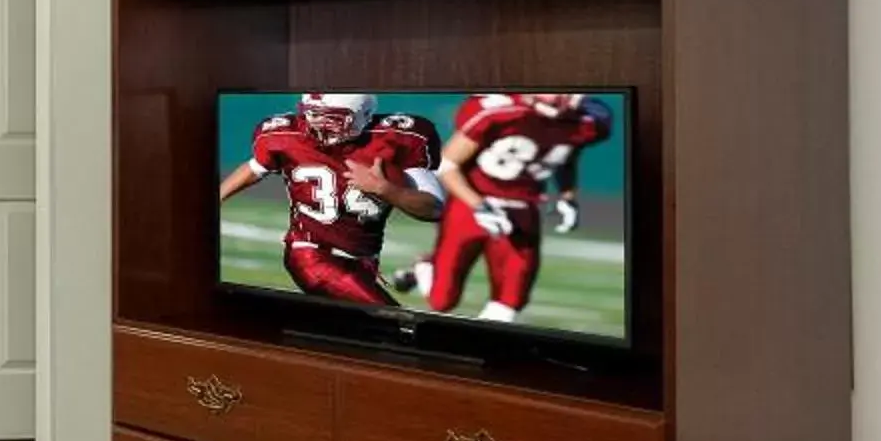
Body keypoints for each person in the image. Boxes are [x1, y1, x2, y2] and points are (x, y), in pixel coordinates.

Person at [393, 92, 614, 321]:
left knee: (511, 302)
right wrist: (479, 206)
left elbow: (565, 155)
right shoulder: (499, 112)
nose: (562, 97)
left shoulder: (587, 121)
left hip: (523, 208)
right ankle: (425, 268)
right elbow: (447, 164)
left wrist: (567, 196)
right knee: (442, 301)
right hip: (471, 205)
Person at [219, 93, 445, 306]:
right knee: (393, 320)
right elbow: (254, 168)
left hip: (364, 260)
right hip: (310, 254)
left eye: (332, 119)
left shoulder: (400, 139)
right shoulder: (285, 135)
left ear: (361, 116)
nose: (317, 125)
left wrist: (384, 189)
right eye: (312, 114)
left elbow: (434, 208)